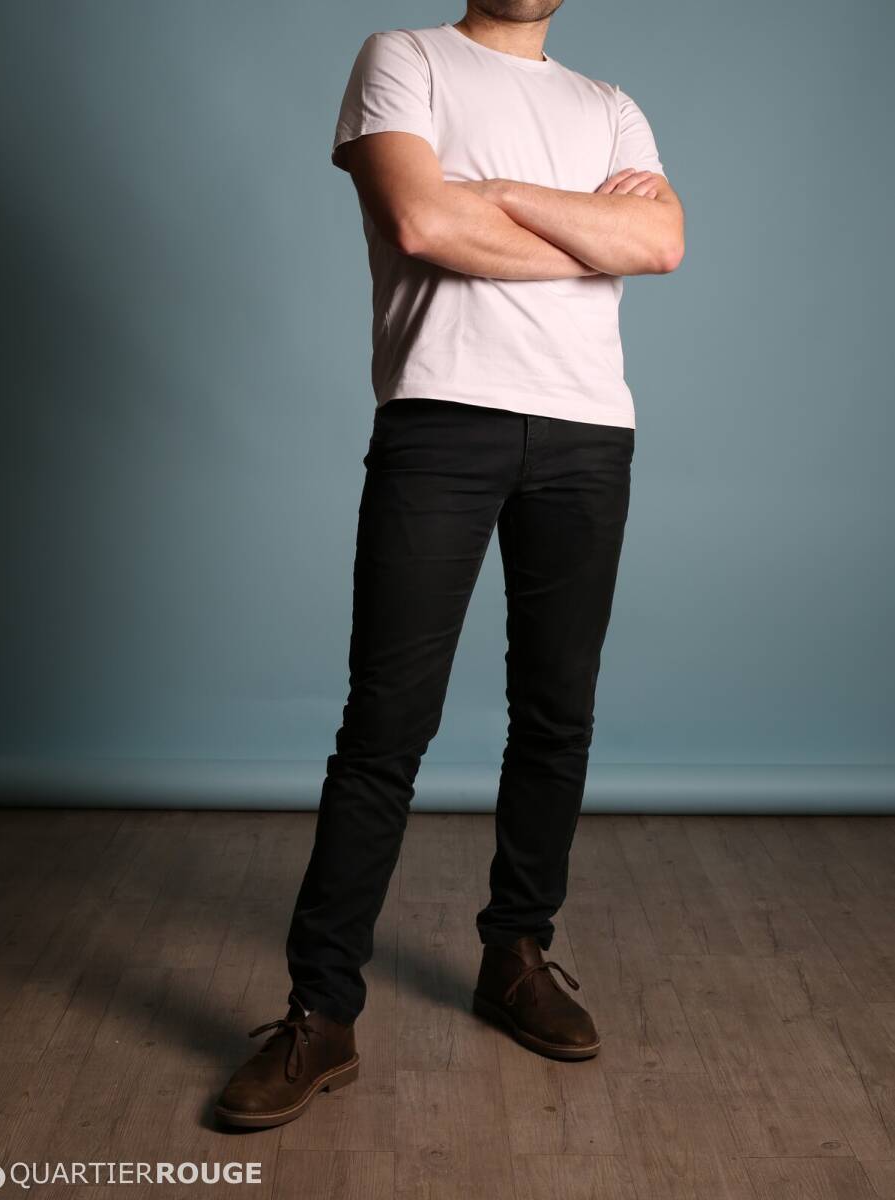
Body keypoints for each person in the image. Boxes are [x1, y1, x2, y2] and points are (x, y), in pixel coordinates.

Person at [215, 0, 684, 1130]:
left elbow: (660, 245)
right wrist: (585, 231)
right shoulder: (403, 59)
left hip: (587, 432)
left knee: (556, 713)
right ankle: (321, 1014)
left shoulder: (610, 106)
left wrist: (499, 193)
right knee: (385, 724)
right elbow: (421, 223)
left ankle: (514, 955)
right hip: (440, 420)